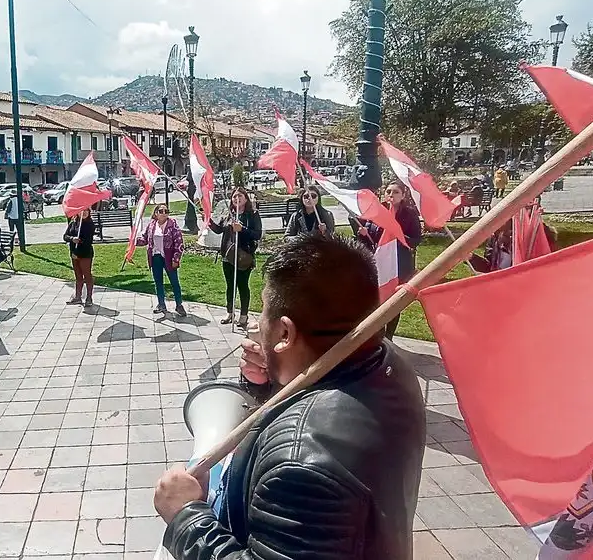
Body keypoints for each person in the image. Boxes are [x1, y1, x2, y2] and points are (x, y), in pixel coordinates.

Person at [153, 233, 426, 560]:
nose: (257, 324)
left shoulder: (299, 466)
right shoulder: (387, 362)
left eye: (263, 311)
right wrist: (272, 382)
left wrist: (186, 517)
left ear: (285, 332)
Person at [352, 181, 423, 339]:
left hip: (399, 264)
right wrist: (363, 233)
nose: (391, 195)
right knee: (376, 299)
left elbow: (416, 239)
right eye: (388, 191)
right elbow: (370, 238)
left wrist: (396, 236)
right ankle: (376, 334)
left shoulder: (409, 214)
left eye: (396, 192)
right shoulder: (379, 211)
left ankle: (389, 337)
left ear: (403, 195)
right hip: (379, 262)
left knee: (393, 300)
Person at [208, 188, 262, 328]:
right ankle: (230, 312)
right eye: (234, 196)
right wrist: (208, 221)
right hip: (228, 255)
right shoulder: (229, 213)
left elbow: (257, 234)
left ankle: (244, 315)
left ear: (246, 198)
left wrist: (242, 229)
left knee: (243, 285)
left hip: (244, 256)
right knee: (230, 285)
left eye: (240, 195)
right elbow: (219, 230)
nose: (237, 198)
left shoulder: (252, 214)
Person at [135, 204, 186, 317]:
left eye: (166, 211)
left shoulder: (173, 225)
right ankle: (161, 304)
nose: (164, 213)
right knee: (158, 282)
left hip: (169, 257)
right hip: (155, 257)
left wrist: (176, 258)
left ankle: (179, 304)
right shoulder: (152, 225)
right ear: (156, 213)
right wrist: (134, 241)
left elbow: (179, 243)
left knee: (174, 282)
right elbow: (144, 240)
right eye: (161, 211)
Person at [63, 208, 95, 306]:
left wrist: (79, 241)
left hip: (85, 254)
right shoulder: (73, 223)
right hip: (74, 254)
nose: (84, 213)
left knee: (87, 275)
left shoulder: (90, 224)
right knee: (78, 276)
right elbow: (65, 236)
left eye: (86, 211)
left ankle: (89, 298)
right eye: (82, 211)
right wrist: (72, 239)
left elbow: (88, 241)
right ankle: (78, 297)